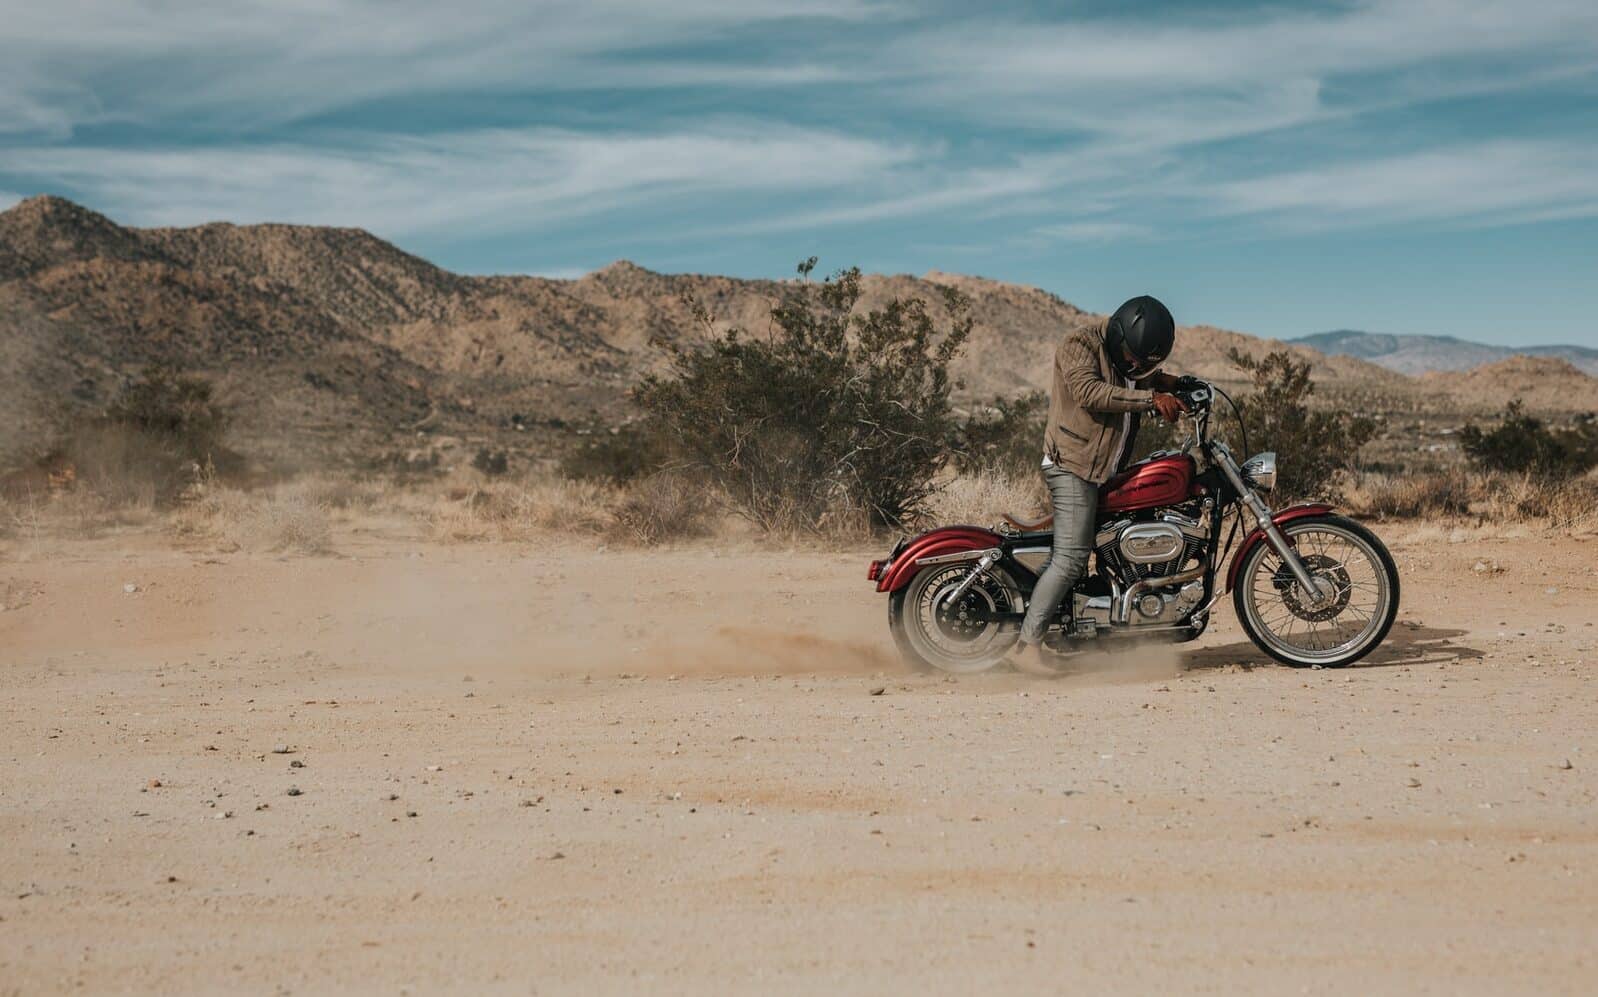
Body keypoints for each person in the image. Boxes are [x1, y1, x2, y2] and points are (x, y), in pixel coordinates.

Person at [1016, 294, 1188, 660]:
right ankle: (1026, 648)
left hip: (1105, 471)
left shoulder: (1131, 364)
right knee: (1071, 558)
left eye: (1142, 363)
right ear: (1119, 334)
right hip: (1073, 468)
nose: (1133, 365)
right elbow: (1090, 391)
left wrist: (1175, 383)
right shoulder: (1079, 345)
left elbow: (1137, 376)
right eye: (1131, 357)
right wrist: (1151, 400)